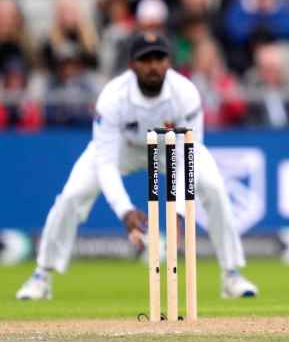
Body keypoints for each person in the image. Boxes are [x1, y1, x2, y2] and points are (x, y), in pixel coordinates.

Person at [15, 32, 259, 300]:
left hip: (171, 151)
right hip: (123, 149)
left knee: (214, 188)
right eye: (146, 59)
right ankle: (42, 275)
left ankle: (232, 274)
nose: (153, 65)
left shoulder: (186, 94)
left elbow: (186, 158)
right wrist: (125, 211)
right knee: (71, 196)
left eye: (159, 58)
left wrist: (177, 213)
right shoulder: (112, 96)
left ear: (169, 61)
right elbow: (105, 163)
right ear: (132, 64)